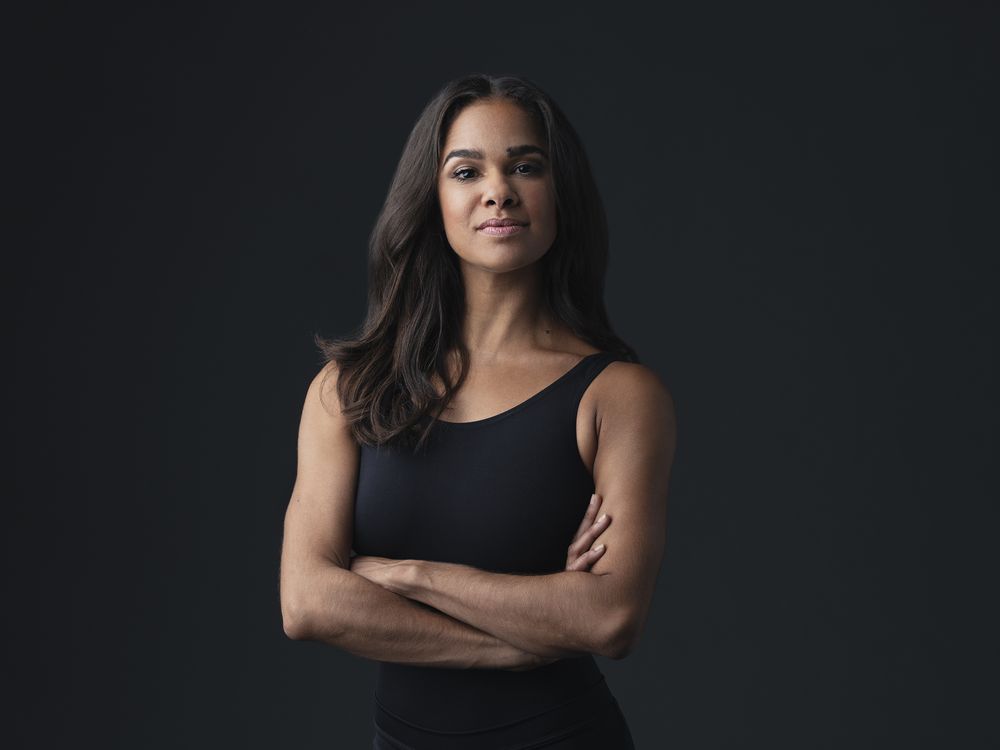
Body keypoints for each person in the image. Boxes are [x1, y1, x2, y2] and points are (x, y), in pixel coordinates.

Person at [279, 72, 676, 749]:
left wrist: (410, 575)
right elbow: (309, 603)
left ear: (561, 194)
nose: (499, 190)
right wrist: (517, 640)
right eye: (467, 171)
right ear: (433, 198)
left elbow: (610, 618)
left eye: (526, 166)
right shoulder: (350, 390)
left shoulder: (617, 396)